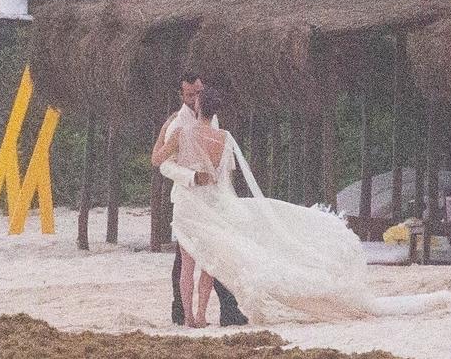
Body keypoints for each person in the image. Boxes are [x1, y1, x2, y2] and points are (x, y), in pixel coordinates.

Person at [152, 87, 374, 325]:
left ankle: (188, 317)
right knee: (208, 263)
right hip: (214, 202)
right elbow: (226, 174)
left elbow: (157, 160)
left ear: (197, 106)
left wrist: (165, 129)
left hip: (190, 203)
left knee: (187, 264)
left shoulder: (181, 132)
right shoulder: (225, 138)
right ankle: (201, 315)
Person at [153, 72, 248, 326]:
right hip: (189, 195)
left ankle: (210, 312)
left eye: (198, 92)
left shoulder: (212, 122)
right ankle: (185, 312)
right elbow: (164, 165)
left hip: (209, 199)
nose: (195, 97)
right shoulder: (177, 124)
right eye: (190, 94)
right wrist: (193, 176)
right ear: (182, 95)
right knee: (188, 262)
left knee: (205, 259)